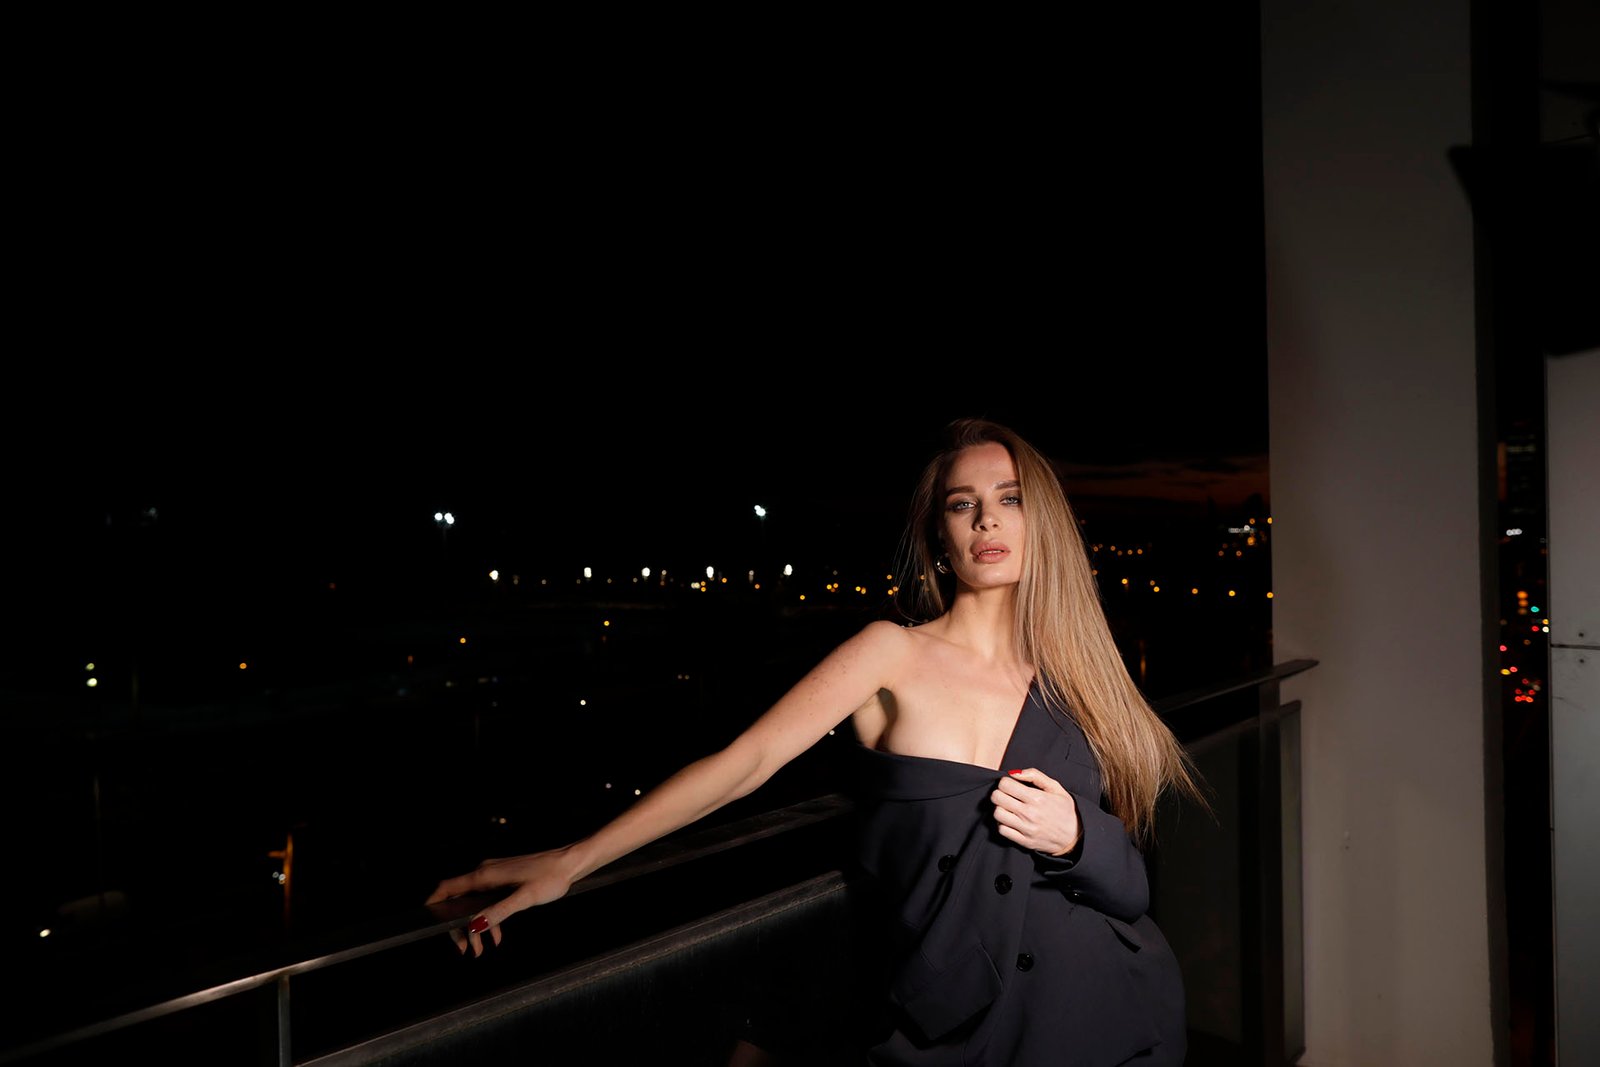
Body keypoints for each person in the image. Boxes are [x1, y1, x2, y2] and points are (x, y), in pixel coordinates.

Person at [426, 418, 1205, 1065]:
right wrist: (572, 861)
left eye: (1009, 498)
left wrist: (1077, 837)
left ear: (1043, 522)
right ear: (939, 534)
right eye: (962, 504)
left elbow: (1131, 889)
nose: (987, 520)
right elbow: (745, 763)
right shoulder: (891, 653)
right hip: (955, 1032)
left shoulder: (1075, 681)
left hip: (1112, 1015)